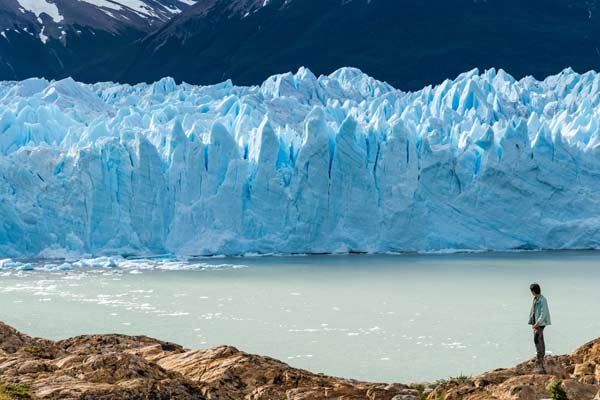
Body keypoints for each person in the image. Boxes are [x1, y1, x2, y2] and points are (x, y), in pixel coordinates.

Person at [528, 283, 551, 373]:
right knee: (540, 338)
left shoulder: (542, 299)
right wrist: (532, 322)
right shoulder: (536, 299)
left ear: (533, 291)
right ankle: (541, 357)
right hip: (536, 323)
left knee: (537, 339)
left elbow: (543, 312)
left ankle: (540, 358)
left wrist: (537, 323)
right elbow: (533, 311)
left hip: (540, 323)